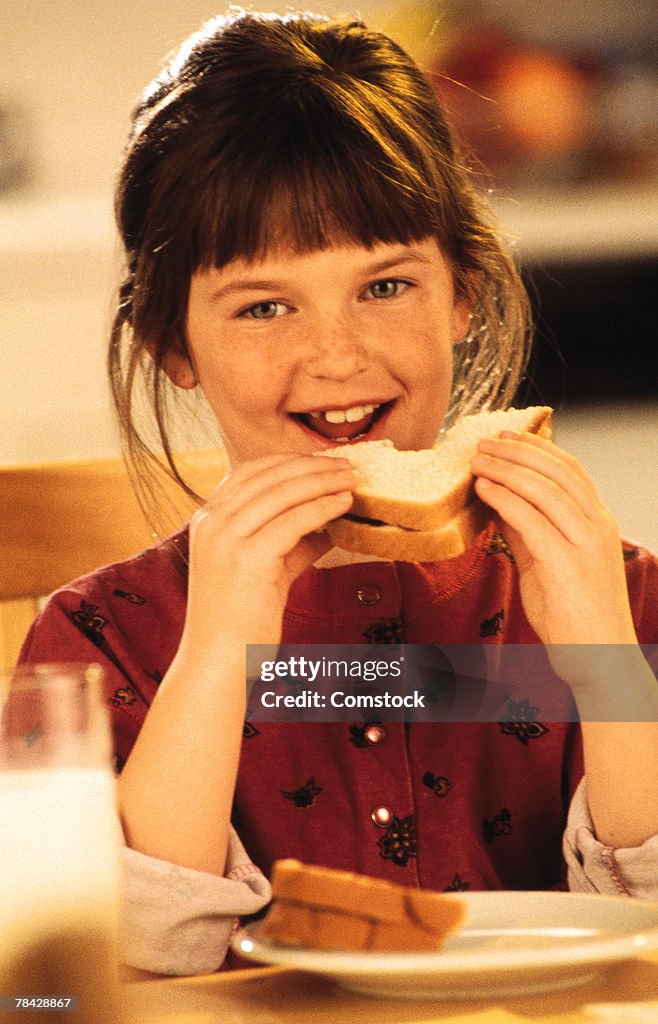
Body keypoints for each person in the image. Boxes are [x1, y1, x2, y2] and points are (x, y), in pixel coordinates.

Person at [19, 10, 658, 975]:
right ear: (173, 347)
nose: (336, 355)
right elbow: (111, 963)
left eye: (386, 286)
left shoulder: (619, 600)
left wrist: (607, 665)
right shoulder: (100, 641)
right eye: (265, 306)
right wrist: (217, 658)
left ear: (464, 294)